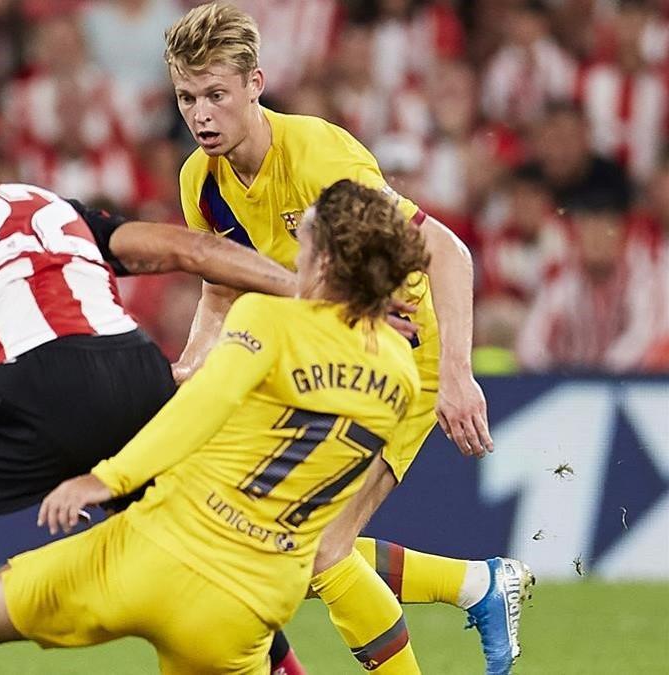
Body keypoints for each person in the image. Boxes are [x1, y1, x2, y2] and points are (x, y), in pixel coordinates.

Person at [0, 179, 429, 675]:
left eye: (303, 242)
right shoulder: (400, 372)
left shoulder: (269, 321)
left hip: (139, 550)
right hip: (243, 606)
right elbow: (185, 251)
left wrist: (99, 476)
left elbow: (198, 407)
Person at [163, 5, 532, 674]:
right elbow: (220, 284)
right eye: (188, 97)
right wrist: (190, 364)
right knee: (287, 545)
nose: (201, 114)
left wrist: (455, 371)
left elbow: (445, 250)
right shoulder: (203, 182)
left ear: (255, 84)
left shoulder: (320, 160)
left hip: (403, 354)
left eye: (216, 93)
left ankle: (478, 587)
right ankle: (480, 585)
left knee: (323, 550)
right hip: (331, 359)